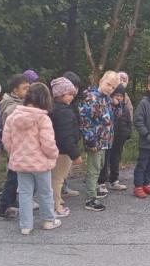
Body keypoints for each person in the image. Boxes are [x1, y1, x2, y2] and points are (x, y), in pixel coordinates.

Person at [2, 83, 61, 235]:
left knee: (24, 193)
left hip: (21, 162)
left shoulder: (13, 116)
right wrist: (53, 154)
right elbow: (48, 143)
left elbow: (6, 140)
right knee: (45, 192)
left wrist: (14, 153)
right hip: (41, 163)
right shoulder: (43, 118)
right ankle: (48, 220)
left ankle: (26, 225)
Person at [78, 71, 119, 212]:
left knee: (100, 165)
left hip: (105, 140)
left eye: (113, 87)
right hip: (95, 140)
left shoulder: (106, 98)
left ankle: (94, 188)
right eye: (108, 84)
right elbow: (85, 121)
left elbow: (110, 118)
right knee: (94, 168)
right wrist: (91, 141)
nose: (110, 88)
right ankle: (91, 198)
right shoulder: (92, 97)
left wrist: (117, 105)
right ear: (101, 80)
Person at [0, 74, 31, 220]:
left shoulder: (17, 102)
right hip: (16, 146)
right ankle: (4, 206)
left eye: (29, 87)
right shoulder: (13, 107)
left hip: (17, 145)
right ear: (15, 91)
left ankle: (11, 201)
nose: (28, 91)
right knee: (13, 177)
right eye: (25, 88)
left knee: (15, 176)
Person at [49, 77, 82, 218]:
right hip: (62, 152)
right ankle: (56, 206)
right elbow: (66, 135)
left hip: (56, 149)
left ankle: (56, 202)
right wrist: (75, 154)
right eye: (70, 94)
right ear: (61, 95)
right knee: (57, 179)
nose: (72, 97)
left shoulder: (55, 108)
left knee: (55, 178)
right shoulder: (65, 112)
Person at [97, 84, 130, 194]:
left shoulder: (124, 107)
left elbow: (128, 122)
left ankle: (114, 180)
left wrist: (128, 133)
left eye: (121, 96)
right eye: (117, 95)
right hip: (107, 138)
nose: (119, 98)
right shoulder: (107, 106)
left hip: (120, 138)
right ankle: (101, 182)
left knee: (116, 159)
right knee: (104, 161)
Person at [59, 71, 85, 198]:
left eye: (77, 87)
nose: (75, 90)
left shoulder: (73, 103)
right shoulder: (61, 106)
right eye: (73, 86)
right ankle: (56, 196)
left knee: (66, 169)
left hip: (72, 140)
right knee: (58, 172)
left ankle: (64, 187)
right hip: (61, 145)